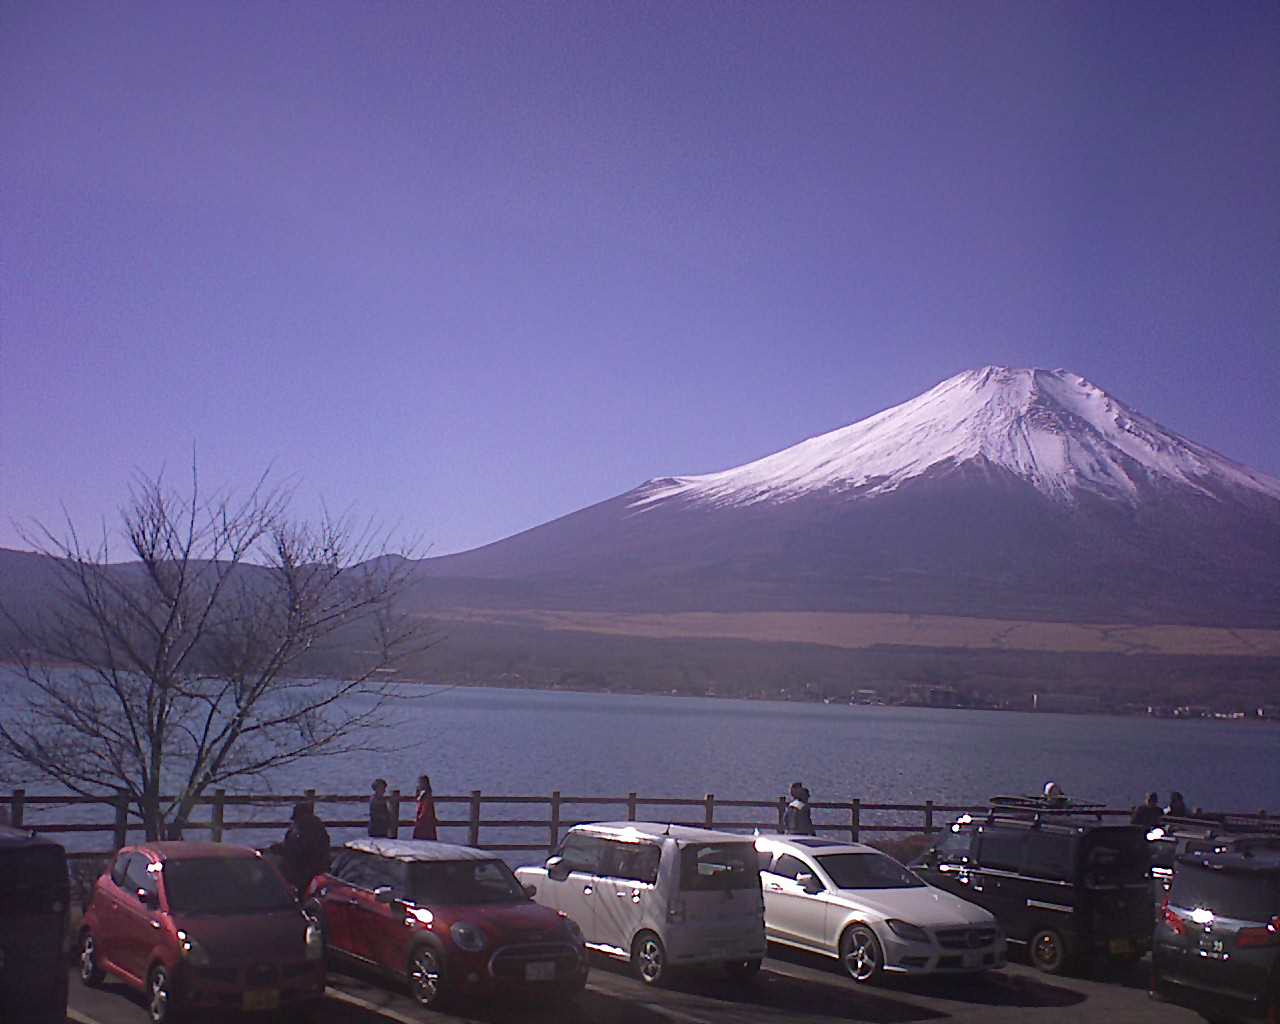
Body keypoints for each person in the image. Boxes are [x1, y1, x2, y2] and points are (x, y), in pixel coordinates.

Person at [279, 801, 331, 896]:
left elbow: (295, 852)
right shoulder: (318, 828)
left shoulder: (299, 830)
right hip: (315, 870)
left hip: (302, 871)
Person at [413, 774, 438, 841]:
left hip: (425, 819)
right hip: (422, 818)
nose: (420, 784)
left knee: (424, 835)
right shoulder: (421, 794)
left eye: (422, 782)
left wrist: (421, 816)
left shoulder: (427, 794)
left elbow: (426, 807)